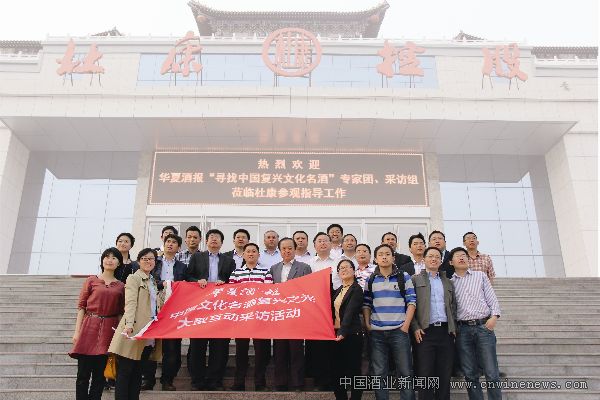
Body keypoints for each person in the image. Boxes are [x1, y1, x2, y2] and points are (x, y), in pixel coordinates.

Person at [70, 247, 125, 400]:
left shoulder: (121, 286)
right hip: (89, 328)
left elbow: (121, 312)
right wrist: (77, 332)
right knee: (82, 374)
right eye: (107, 257)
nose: (109, 260)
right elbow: (82, 307)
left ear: (119, 263)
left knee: (100, 376)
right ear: (102, 260)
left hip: (109, 330)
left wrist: (119, 335)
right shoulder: (91, 280)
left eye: (114, 258)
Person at [363, 244, 416, 400]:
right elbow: (366, 304)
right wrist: (368, 324)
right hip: (377, 332)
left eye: (387, 254)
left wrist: (405, 326)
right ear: (375, 259)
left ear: (393, 258)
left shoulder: (403, 276)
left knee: (405, 372)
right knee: (379, 373)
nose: (384, 257)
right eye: (380, 254)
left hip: (399, 331)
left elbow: (412, 302)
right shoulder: (371, 279)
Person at [108, 248, 163, 400]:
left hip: (148, 332)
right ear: (138, 261)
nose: (148, 261)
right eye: (144, 258)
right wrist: (129, 325)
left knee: (138, 371)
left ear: (155, 262)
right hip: (133, 331)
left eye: (151, 259)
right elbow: (131, 303)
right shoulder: (134, 278)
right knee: (125, 371)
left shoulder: (153, 281)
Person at [186, 229, 236, 391]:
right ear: (206, 241)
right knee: (197, 346)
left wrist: (224, 283)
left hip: (221, 308)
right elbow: (188, 277)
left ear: (222, 243)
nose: (214, 240)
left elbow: (233, 282)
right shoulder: (197, 257)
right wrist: (197, 281)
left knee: (220, 346)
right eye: (211, 237)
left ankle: (215, 380)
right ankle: (197, 381)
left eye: (217, 238)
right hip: (201, 307)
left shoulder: (229, 261)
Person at [450, 247, 502, 400]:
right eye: (458, 256)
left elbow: (492, 298)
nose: (462, 258)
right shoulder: (450, 283)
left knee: (491, 372)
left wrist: (494, 317)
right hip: (462, 330)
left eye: (464, 255)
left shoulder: (480, 276)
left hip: (483, 327)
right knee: (470, 374)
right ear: (451, 262)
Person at [141, 234, 187, 391]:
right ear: (164, 243)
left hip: (174, 309)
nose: (170, 244)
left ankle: (167, 380)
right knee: (151, 345)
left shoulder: (182, 267)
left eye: (174, 242)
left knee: (172, 348)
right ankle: (148, 380)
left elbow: (185, 285)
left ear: (178, 248)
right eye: (168, 241)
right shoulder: (155, 262)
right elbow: (149, 280)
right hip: (153, 307)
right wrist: (165, 284)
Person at [411, 247, 456, 400]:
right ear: (424, 259)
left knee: (444, 374)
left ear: (441, 261)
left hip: (445, 332)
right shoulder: (415, 279)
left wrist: (453, 327)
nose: (434, 259)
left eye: (437, 256)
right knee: (425, 373)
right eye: (430, 256)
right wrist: (415, 327)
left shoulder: (448, 282)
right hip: (425, 332)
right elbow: (409, 305)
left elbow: (453, 306)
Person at [228, 243, 274, 391]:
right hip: (241, 318)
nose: (251, 254)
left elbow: (267, 293)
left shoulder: (266, 272)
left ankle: (260, 383)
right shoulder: (236, 273)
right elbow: (232, 294)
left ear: (258, 255)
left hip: (260, 318)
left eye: (254, 251)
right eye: (248, 251)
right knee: (241, 352)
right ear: (243, 255)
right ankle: (238, 383)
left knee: (262, 352)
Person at [269, 237, 312, 391]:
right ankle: (280, 383)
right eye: (284, 248)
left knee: (296, 351)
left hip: (296, 314)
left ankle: (297, 383)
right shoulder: (273, 268)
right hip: (279, 315)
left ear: (295, 250)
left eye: (290, 248)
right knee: (279, 351)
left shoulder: (304, 267)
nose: (287, 251)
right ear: (280, 251)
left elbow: (308, 290)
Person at [331, 259, 364, 400]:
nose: (344, 270)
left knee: (354, 370)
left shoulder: (356, 289)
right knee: (336, 371)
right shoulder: (338, 290)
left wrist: (343, 331)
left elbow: (350, 312)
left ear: (353, 270)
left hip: (351, 334)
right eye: (341, 268)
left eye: (347, 267)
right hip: (336, 334)